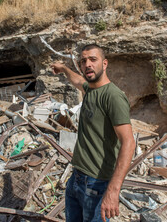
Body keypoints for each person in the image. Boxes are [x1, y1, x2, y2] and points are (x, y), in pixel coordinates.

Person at [51, 44, 136, 222]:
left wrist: (113, 191)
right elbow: (76, 80)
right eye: (83, 61)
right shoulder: (90, 89)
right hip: (76, 177)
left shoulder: (113, 96)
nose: (87, 64)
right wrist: (64, 69)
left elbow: (128, 143)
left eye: (93, 59)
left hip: (96, 184)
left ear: (105, 64)